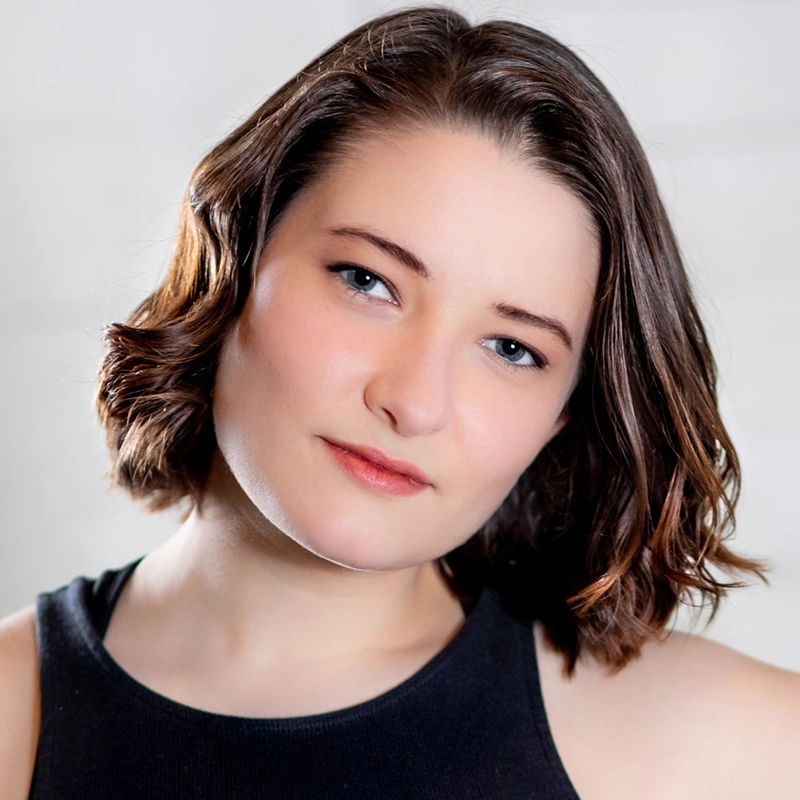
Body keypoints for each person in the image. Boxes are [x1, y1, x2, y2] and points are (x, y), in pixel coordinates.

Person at [1, 5, 798, 798]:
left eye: (513, 349)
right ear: (234, 256)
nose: (414, 402)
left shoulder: (733, 749)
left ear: (562, 417)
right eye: (367, 282)